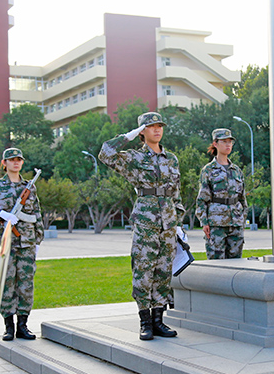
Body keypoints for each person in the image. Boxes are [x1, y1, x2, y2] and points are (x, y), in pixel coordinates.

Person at [99, 111, 183, 341]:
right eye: (151, 126)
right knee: (144, 270)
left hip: (168, 221)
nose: (157, 129)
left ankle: (158, 320)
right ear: (142, 131)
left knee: (164, 271)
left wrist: (179, 221)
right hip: (146, 220)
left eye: (160, 126)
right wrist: (127, 136)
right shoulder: (134, 158)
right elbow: (105, 153)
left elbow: (176, 192)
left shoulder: (172, 159)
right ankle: (144, 321)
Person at [0, 148, 44, 341]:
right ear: (4, 163)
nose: (15, 163)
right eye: (11, 160)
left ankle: (23, 325)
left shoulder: (29, 186)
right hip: (5, 242)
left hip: (27, 242)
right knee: (6, 283)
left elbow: (37, 214)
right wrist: (0, 214)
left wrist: (38, 239)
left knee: (26, 284)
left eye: (18, 160)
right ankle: (8, 327)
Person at [195, 128, 247, 259]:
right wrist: (204, 222)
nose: (228, 144)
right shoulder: (208, 170)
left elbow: (242, 200)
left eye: (230, 142)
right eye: (224, 141)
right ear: (215, 144)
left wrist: (242, 219)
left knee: (236, 264)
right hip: (216, 224)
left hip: (236, 224)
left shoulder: (236, 171)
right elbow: (202, 199)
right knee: (216, 265)